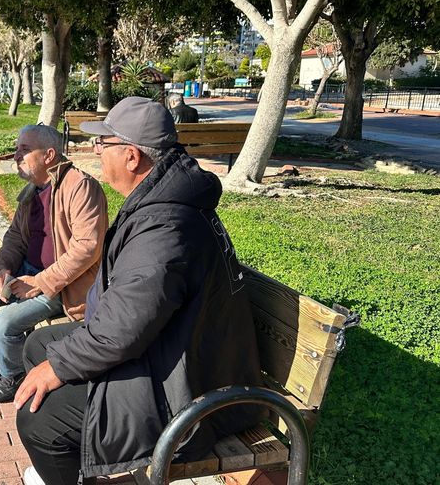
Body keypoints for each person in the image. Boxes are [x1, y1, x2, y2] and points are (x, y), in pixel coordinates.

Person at [13, 97, 265, 485]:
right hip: (166, 348)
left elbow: (124, 328)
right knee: (38, 347)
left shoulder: (165, 225)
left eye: (104, 144)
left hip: (188, 390)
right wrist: (61, 358)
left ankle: (67, 464)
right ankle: (73, 464)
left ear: (131, 156)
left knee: (38, 420)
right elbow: (133, 309)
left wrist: (61, 367)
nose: (96, 152)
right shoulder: (163, 198)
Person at [0, 124, 108, 403]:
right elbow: (15, 237)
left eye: (25, 150)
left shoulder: (81, 186)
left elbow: (87, 248)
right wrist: (2, 269)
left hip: (63, 284)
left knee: (4, 322)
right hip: (26, 273)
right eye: (17, 149)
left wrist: (39, 283)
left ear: (49, 155)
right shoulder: (33, 191)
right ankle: (2, 360)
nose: (16, 155)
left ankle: (13, 375)